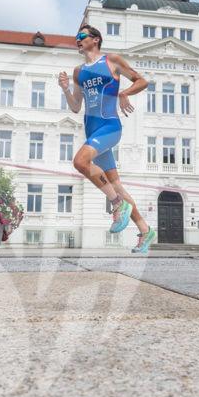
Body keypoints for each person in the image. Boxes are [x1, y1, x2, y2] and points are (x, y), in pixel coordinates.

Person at [58, 24, 154, 253]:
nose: (78, 39)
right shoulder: (78, 72)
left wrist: (124, 93)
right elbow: (75, 106)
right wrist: (65, 89)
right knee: (116, 185)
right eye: (76, 36)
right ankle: (145, 229)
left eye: (82, 36)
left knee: (80, 162)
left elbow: (142, 81)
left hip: (109, 127)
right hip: (92, 130)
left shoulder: (111, 60)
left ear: (96, 39)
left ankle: (117, 204)